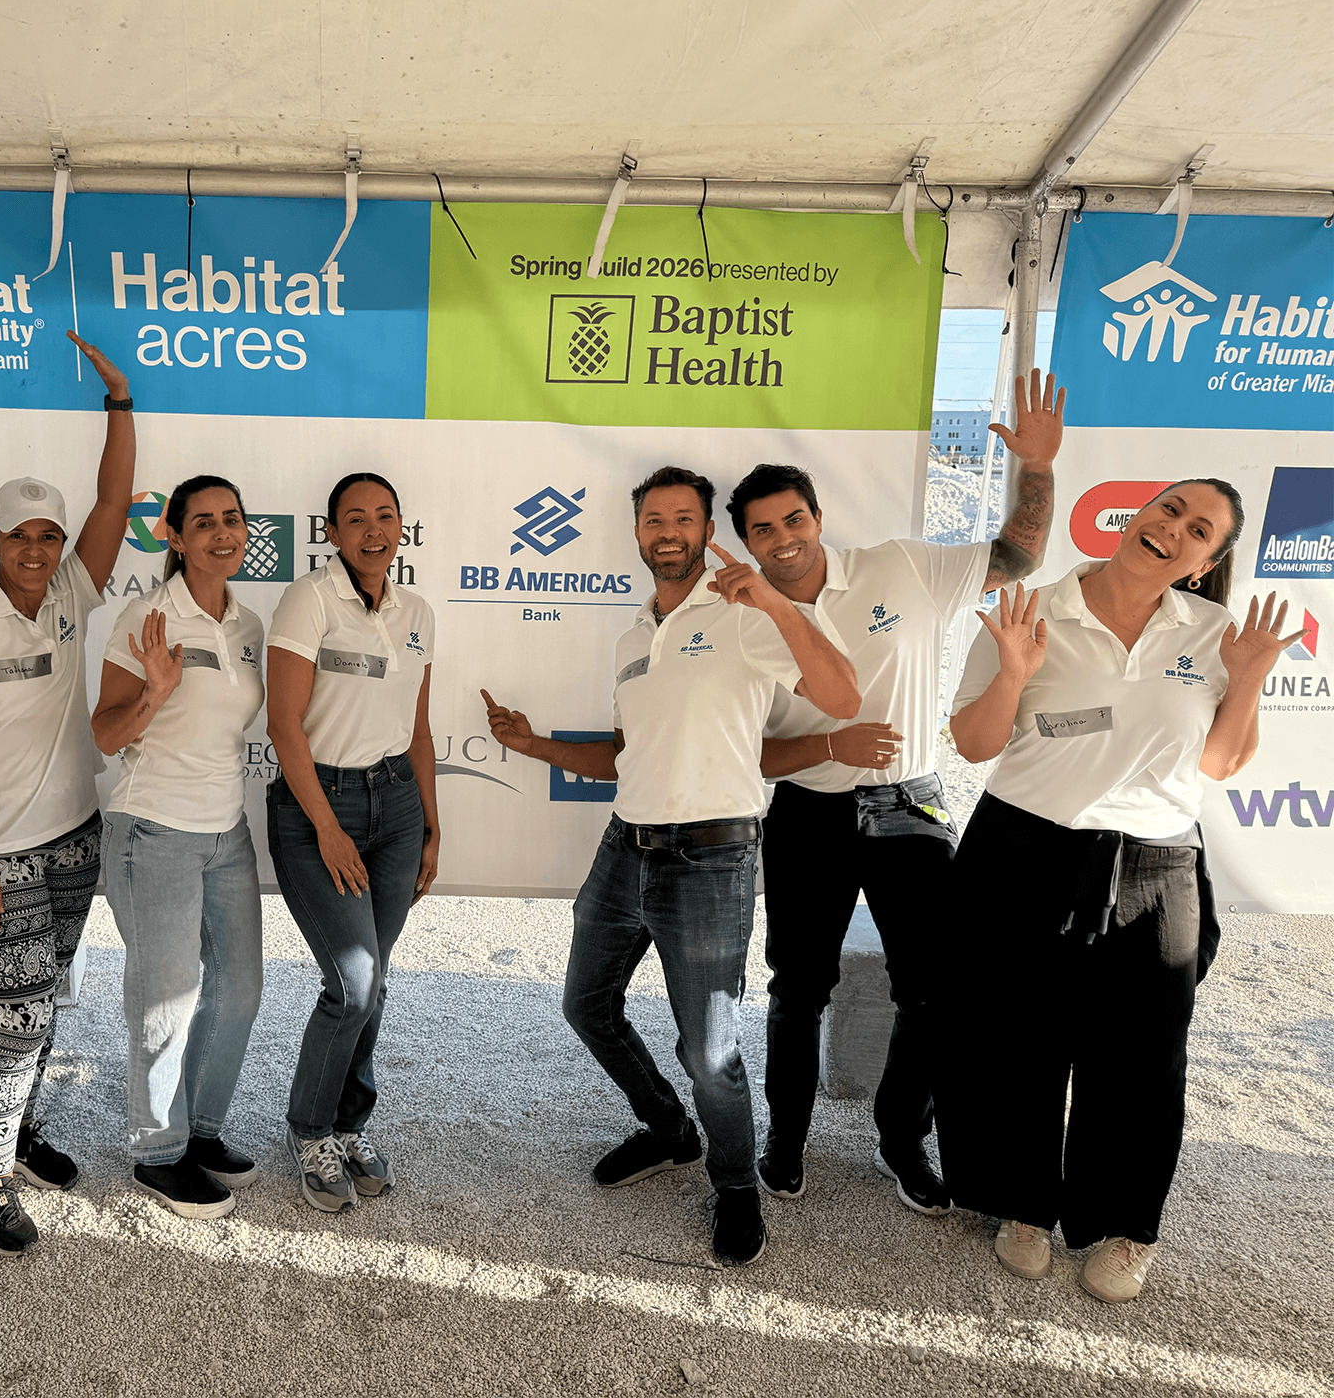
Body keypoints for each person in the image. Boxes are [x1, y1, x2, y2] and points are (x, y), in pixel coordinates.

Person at [483, 465, 858, 1267]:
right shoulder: (632, 638)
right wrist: (531, 743)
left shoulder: (745, 614)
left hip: (712, 858)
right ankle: (668, 1129)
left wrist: (773, 604)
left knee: (710, 1054)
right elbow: (625, 755)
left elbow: (842, 695)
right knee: (586, 1006)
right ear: (637, 533)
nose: (668, 532)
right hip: (626, 846)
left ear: (707, 531)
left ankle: (736, 1186)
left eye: (684, 518)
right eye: (654, 519)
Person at [943, 478, 1297, 1303]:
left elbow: (1220, 762)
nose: (1175, 528)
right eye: (1170, 508)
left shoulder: (1214, 633)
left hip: (1157, 861)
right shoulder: (1033, 610)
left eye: (1200, 529)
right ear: (1139, 514)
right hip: (1023, 848)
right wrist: (1013, 673)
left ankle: (1127, 1225)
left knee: (1143, 1056)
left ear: (1206, 561)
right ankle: (1024, 1205)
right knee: (1018, 1037)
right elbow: (973, 744)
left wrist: (1248, 677)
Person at [731, 368, 1065, 1215]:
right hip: (808, 810)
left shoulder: (901, 566)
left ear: (818, 518)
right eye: (763, 529)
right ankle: (786, 1137)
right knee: (798, 989)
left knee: (934, 991)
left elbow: (1019, 556)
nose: (783, 538)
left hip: (909, 803)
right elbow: (748, 753)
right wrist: (829, 744)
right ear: (747, 543)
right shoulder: (744, 622)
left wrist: (1036, 467)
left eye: (794, 519)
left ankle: (900, 1139)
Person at [0, 332, 134, 1257]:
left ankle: (25, 1129)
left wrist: (119, 403)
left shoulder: (74, 593)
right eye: (21, 536)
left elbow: (115, 500)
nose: (37, 549)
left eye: (49, 535)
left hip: (75, 838)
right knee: (23, 1017)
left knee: (45, 1007)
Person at [92, 476, 267, 1220]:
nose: (222, 533)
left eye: (232, 519)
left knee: (240, 988)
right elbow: (105, 734)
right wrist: (155, 691)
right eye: (204, 522)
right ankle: (158, 1154)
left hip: (227, 831)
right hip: (154, 830)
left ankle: (200, 1131)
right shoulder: (148, 617)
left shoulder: (247, 624)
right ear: (174, 535)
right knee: (165, 1000)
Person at [265, 473, 438, 1213]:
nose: (373, 531)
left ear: (401, 527)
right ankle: (310, 1129)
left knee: (375, 980)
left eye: (386, 516)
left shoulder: (418, 612)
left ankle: (348, 1123)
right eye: (356, 518)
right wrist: (328, 828)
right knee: (355, 983)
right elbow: (283, 725)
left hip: (396, 804)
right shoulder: (309, 599)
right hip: (317, 808)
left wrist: (432, 823)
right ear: (331, 533)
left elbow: (419, 729)